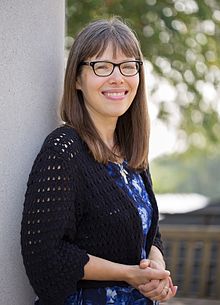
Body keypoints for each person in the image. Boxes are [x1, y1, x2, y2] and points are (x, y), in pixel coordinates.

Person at [21, 17, 177, 305]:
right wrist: (128, 274)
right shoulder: (63, 150)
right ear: (78, 79)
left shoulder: (132, 153)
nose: (117, 78)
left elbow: (146, 233)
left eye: (128, 66)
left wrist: (155, 267)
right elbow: (45, 254)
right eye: (101, 66)